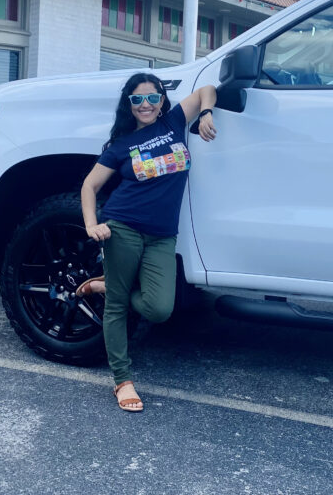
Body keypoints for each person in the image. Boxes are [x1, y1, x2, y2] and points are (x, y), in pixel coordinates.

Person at [78, 72, 217, 412]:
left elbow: (206, 90)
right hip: (122, 228)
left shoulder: (173, 123)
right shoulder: (121, 145)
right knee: (117, 309)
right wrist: (92, 225)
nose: (145, 105)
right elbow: (89, 186)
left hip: (162, 237)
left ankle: (106, 285)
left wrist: (206, 114)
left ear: (161, 102)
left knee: (159, 308)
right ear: (129, 104)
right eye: (137, 99)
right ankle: (122, 381)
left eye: (152, 98)